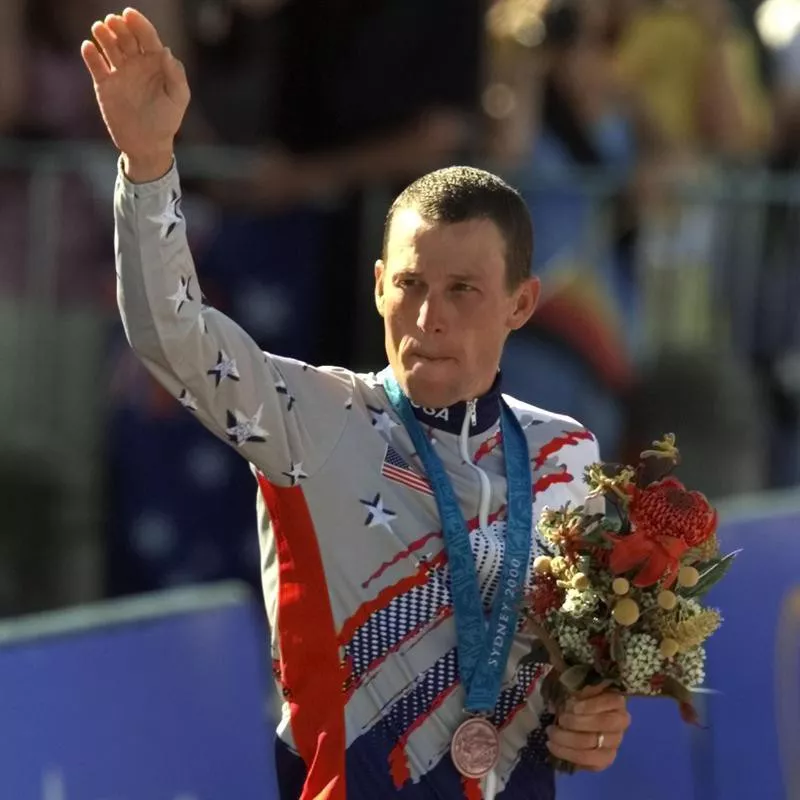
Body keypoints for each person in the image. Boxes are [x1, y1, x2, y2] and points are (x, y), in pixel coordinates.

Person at [81, 8, 631, 799]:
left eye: (464, 291)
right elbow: (173, 337)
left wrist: (597, 715)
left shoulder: (568, 454)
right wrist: (147, 162)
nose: (430, 316)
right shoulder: (313, 418)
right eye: (409, 285)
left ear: (522, 303)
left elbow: (584, 683)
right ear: (378, 286)